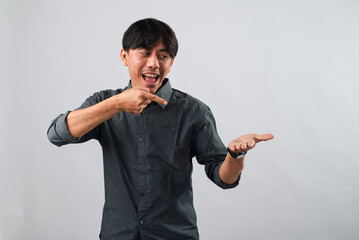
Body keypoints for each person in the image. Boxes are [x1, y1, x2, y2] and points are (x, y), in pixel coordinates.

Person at [47, 18, 274, 240]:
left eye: (163, 56)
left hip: (174, 234)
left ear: (171, 63)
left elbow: (224, 178)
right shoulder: (104, 103)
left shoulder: (193, 111)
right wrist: (116, 104)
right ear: (124, 56)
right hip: (118, 234)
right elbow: (57, 134)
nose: (154, 63)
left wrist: (235, 155)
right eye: (145, 53)